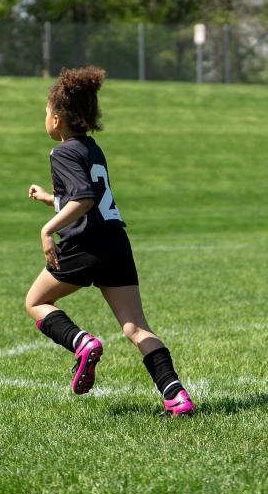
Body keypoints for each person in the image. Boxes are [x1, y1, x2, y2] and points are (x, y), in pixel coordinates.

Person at [24, 66, 195, 417]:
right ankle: (176, 396)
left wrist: (46, 230)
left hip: (84, 244)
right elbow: (86, 197)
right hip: (115, 242)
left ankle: (81, 342)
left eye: (45, 112)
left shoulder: (61, 153)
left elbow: (83, 199)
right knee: (135, 327)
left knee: (36, 302)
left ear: (56, 118)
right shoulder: (91, 149)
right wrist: (48, 198)